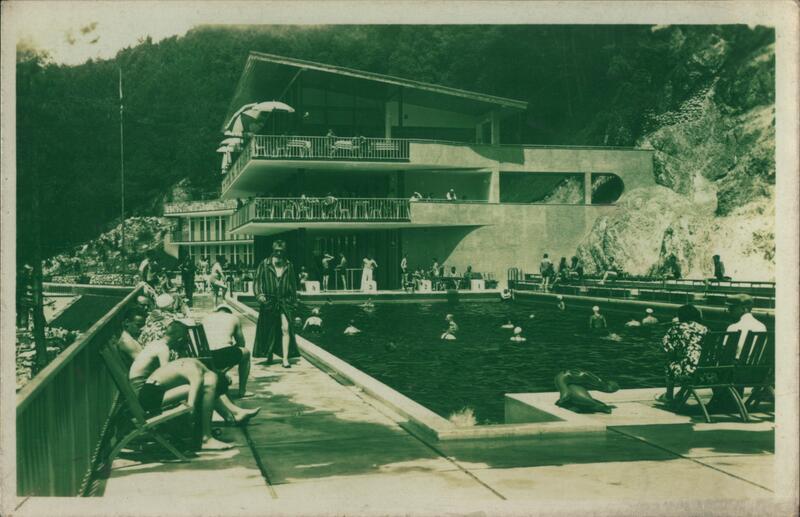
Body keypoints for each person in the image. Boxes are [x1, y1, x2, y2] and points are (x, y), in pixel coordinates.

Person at [130, 322, 257, 450]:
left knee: (202, 385)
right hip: (143, 393)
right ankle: (206, 436)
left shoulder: (156, 344)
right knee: (203, 387)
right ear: (180, 339)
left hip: (145, 390)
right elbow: (167, 372)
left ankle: (230, 415)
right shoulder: (164, 349)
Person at [253, 240, 300, 368]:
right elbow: (257, 281)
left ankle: (285, 359)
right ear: (273, 251)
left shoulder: (289, 265)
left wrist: (294, 303)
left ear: (284, 252)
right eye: (276, 251)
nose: (279, 253)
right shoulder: (264, 264)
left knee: (285, 328)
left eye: (281, 251)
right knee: (269, 329)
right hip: (269, 301)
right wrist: (259, 295)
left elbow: (293, 285)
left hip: (285, 301)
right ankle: (269, 354)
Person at [657, 304, 709, 405]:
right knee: (689, 362)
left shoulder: (675, 329)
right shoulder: (705, 329)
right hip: (707, 374)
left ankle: (668, 396)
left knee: (669, 362)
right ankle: (680, 394)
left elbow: (667, 349)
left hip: (687, 374)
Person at [202, 305, 252, 398]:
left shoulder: (206, 318)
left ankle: (220, 373)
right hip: (223, 355)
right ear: (229, 312)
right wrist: (232, 346)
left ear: (217, 311)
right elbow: (241, 344)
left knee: (225, 353)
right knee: (246, 353)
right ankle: (242, 391)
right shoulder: (234, 318)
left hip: (205, 356)